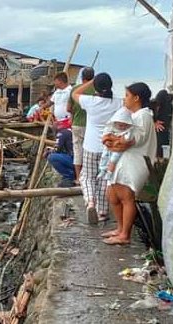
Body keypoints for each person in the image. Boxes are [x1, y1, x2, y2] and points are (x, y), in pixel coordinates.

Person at [102, 82, 157, 245]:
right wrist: (112, 140)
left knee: (126, 197)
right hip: (124, 160)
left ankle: (124, 234)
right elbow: (115, 137)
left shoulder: (143, 115)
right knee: (112, 195)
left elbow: (128, 141)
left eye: (127, 95)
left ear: (136, 97)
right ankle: (120, 229)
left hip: (134, 161)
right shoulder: (132, 116)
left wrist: (113, 141)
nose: (125, 99)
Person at [71, 73, 122, 225]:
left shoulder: (90, 101)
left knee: (87, 176)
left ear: (96, 87)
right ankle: (102, 212)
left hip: (91, 146)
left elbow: (74, 93)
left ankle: (90, 202)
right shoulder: (117, 103)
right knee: (104, 179)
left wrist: (91, 81)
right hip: (108, 147)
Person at [67, 67, 95, 183]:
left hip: (77, 124)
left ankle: (79, 178)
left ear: (82, 77)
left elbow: (68, 108)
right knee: (91, 151)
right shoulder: (97, 90)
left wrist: (75, 113)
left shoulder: (75, 90)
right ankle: (91, 177)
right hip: (92, 126)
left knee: (78, 150)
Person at [97, 108, 134, 181]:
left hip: (118, 148)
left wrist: (121, 140)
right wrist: (106, 141)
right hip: (109, 146)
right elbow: (105, 135)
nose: (122, 127)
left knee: (113, 159)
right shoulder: (110, 128)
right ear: (115, 123)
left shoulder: (127, 131)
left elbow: (127, 140)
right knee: (104, 156)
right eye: (120, 125)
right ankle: (102, 169)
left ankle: (109, 172)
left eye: (125, 125)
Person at [44, 120, 75, 187]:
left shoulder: (61, 133)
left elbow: (57, 149)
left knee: (52, 157)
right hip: (77, 160)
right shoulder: (69, 131)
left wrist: (48, 152)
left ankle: (69, 176)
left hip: (74, 160)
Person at [152, 90, 173, 159]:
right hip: (160, 129)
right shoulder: (153, 105)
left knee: (164, 150)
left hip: (165, 129)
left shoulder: (169, 105)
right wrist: (154, 122)